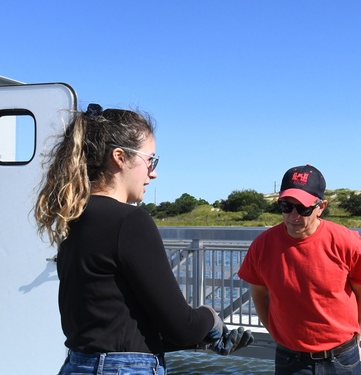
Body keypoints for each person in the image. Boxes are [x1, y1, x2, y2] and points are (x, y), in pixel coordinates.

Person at [34, 103, 252, 375]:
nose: (153, 172)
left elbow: (114, 327)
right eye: (150, 160)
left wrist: (199, 339)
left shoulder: (75, 217)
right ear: (120, 157)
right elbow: (181, 327)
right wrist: (210, 319)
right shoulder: (129, 221)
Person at [238, 164, 361, 375]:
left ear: (321, 206)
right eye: (286, 206)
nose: (293, 216)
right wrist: (278, 334)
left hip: (342, 357)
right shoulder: (262, 245)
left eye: (303, 208)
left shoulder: (347, 242)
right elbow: (259, 295)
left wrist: (357, 335)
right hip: (291, 359)